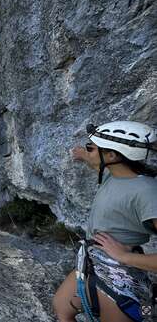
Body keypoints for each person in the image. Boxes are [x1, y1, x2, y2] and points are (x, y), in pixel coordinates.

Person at [53, 121, 157, 322]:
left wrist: (124, 257)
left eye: (91, 148)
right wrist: (83, 155)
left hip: (121, 276)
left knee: (141, 314)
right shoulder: (115, 173)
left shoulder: (147, 192)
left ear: (112, 156)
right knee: (61, 307)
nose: (87, 149)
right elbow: (97, 162)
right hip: (93, 262)